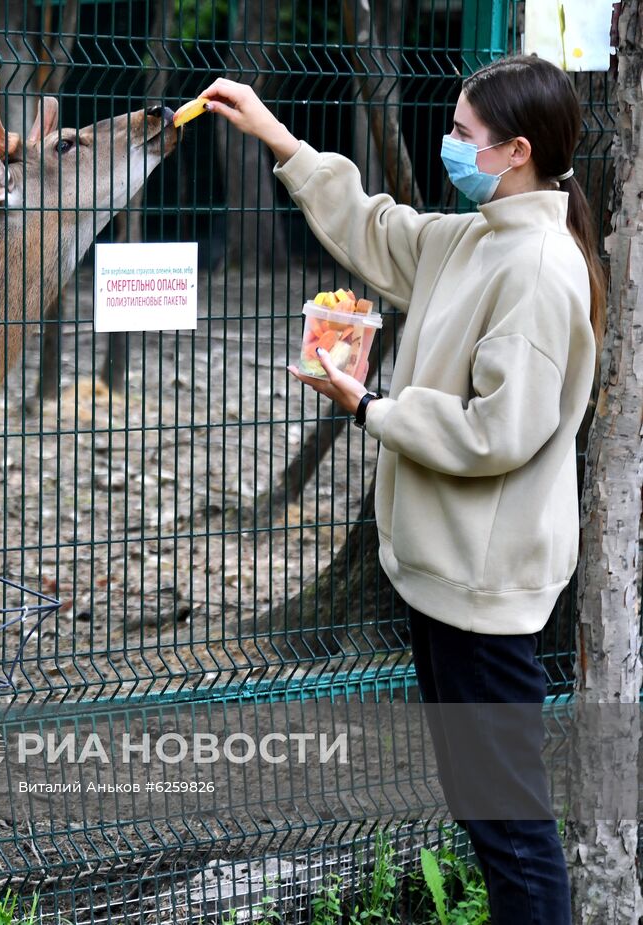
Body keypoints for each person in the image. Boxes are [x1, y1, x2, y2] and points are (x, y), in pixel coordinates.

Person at [200, 54, 604, 925]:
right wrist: (276, 136)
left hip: (483, 593)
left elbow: (499, 431)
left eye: (463, 133)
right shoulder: (477, 236)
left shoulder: (535, 267)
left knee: (512, 830)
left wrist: (372, 406)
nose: (448, 144)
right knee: (486, 811)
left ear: (516, 151)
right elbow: (379, 229)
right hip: (446, 582)